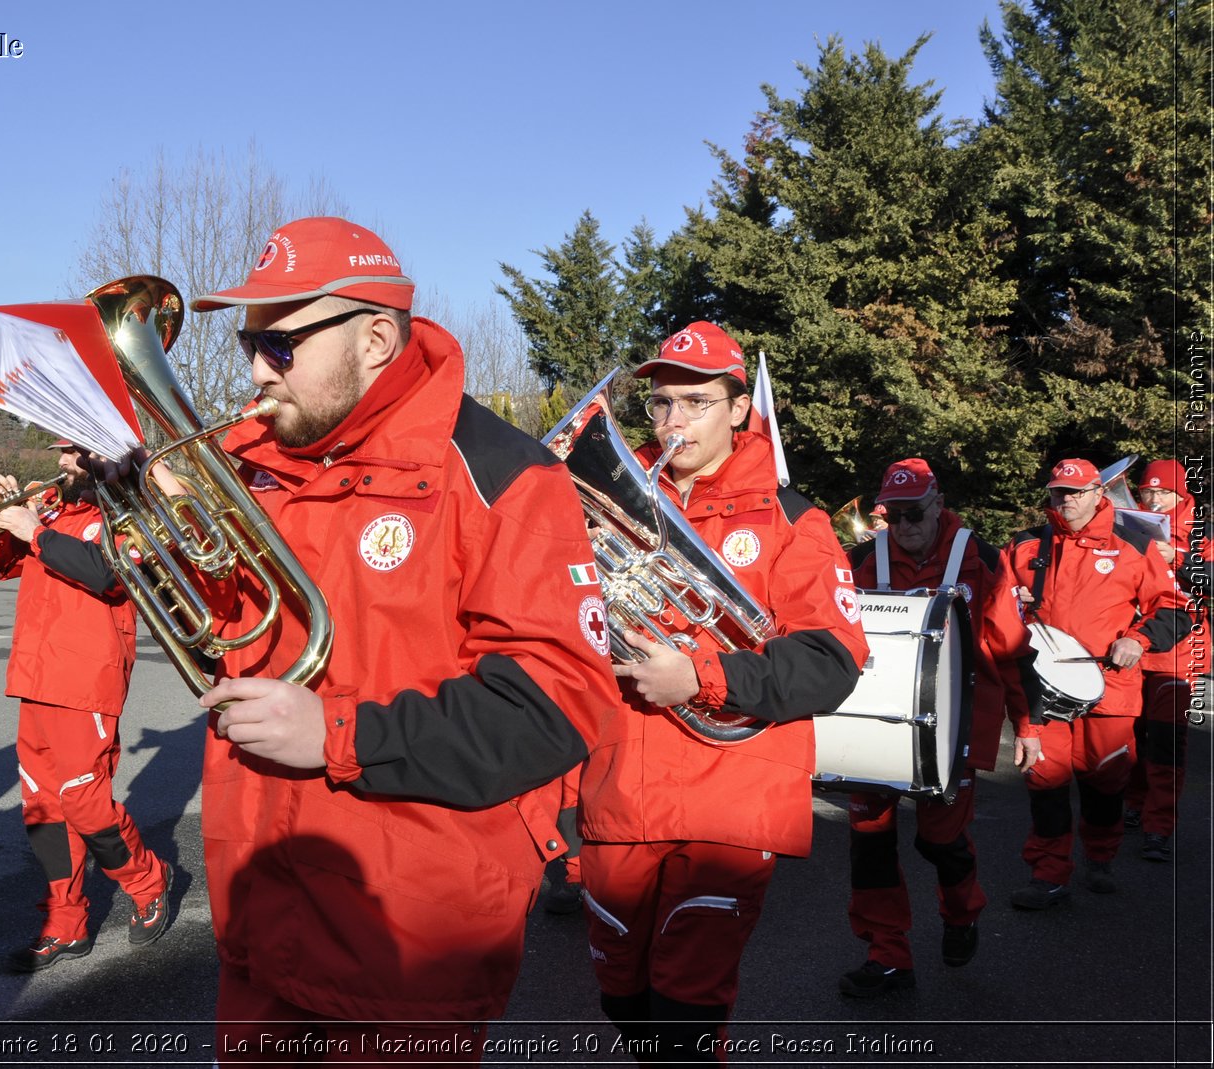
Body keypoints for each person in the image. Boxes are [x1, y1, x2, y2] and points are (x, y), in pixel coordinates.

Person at [157, 216, 619, 1062]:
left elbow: (556, 706)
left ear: (374, 337)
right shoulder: (251, 454)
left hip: (409, 943)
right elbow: (219, 622)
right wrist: (147, 521)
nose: (258, 371)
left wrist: (336, 732)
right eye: (249, 344)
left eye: (282, 346)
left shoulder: (504, 472)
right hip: (262, 909)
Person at [574, 322, 869, 1061]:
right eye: (662, 404)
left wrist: (700, 675)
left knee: (685, 1016)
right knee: (621, 1000)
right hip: (617, 786)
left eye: (696, 402)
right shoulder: (602, 499)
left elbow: (831, 661)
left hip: (726, 801)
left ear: (740, 408)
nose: (674, 422)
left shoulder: (792, 517)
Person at [837, 458, 1038, 997]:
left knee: (939, 840)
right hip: (875, 725)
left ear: (939, 503)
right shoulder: (861, 559)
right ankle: (888, 956)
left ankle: (961, 911)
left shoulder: (982, 558)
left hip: (954, 726)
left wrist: (1027, 724)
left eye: (915, 514)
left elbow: (1011, 650)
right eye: (894, 516)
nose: (904, 526)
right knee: (870, 847)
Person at [0, 443, 172, 973]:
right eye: (61, 453)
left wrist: (35, 532)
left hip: (86, 679)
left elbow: (108, 575)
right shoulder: (54, 511)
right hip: (34, 677)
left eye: (73, 453)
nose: (62, 464)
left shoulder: (131, 514)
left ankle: (148, 879)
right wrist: (1, 518)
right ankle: (65, 920)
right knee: (41, 808)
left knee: (86, 804)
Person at [1004, 459, 1189, 909]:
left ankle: (1101, 856)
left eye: (1075, 492)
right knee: (1044, 779)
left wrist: (1138, 638)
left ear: (1096, 492)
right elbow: (996, 607)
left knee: (1105, 780)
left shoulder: (1134, 543)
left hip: (1111, 686)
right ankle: (1049, 873)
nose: (1065, 500)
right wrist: (1017, 603)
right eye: (1057, 492)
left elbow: (1174, 607)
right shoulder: (1026, 545)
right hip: (1044, 687)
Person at [1123, 459, 1207, 862]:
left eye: (1164, 493)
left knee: (1165, 741)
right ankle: (1134, 805)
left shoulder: (1201, 528)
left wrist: (1178, 555)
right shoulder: (1131, 521)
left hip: (1178, 650)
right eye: (1147, 492)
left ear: (1182, 494)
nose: (1154, 499)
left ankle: (1159, 825)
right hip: (1132, 642)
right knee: (1131, 736)